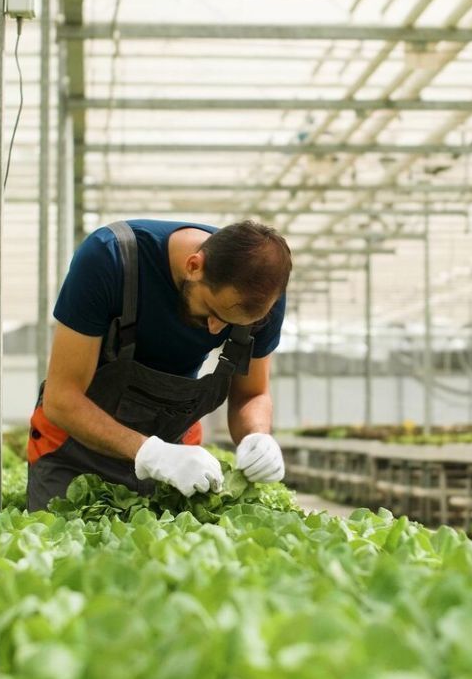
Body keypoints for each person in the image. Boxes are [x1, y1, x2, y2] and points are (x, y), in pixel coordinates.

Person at [26, 218, 292, 511]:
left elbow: (251, 394)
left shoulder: (259, 300)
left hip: (176, 455)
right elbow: (62, 400)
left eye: (232, 325)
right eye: (212, 312)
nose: (216, 330)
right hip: (73, 451)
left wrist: (257, 436)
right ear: (194, 266)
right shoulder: (110, 258)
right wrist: (152, 454)